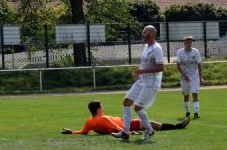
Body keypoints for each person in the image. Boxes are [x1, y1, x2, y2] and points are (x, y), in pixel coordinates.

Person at [112, 25, 164, 142]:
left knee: (138, 108)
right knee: (126, 102)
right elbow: (145, 64)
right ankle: (125, 132)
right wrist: (139, 70)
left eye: (145, 32)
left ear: (152, 33)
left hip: (151, 83)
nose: (143, 34)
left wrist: (143, 71)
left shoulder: (157, 48)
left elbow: (161, 68)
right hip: (142, 80)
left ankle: (150, 131)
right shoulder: (146, 46)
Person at [61, 100, 190, 135]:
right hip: (126, 124)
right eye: (102, 106)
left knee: (149, 124)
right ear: (99, 109)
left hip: (125, 123)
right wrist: (127, 131)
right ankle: (177, 126)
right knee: (150, 123)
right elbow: (115, 127)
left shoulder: (89, 121)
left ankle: (177, 126)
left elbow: (83, 132)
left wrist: (71, 132)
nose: (103, 108)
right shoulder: (103, 119)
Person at [176, 35, 203, 118]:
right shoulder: (180, 52)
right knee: (186, 95)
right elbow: (178, 66)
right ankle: (187, 112)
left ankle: (196, 113)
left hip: (194, 76)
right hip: (184, 77)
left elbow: (199, 65)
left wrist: (201, 78)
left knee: (195, 94)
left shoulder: (196, 52)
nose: (189, 43)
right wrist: (184, 75)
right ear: (184, 42)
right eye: (187, 41)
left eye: (190, 41)